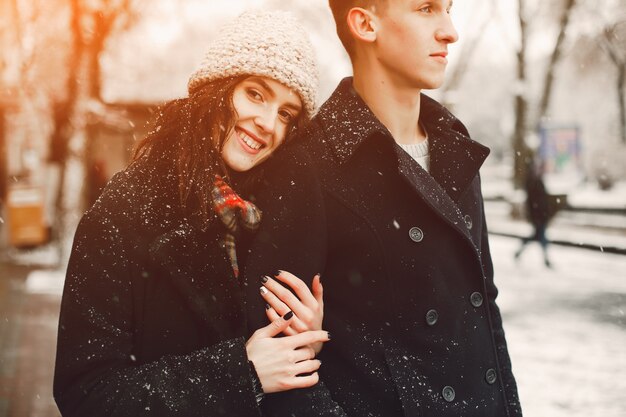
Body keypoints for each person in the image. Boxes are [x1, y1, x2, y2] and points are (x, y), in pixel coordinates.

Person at [242, 1, 523, 416]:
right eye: (426, 9)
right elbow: (284, 370)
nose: (450, 31)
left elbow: (484, 313)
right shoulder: (307, 166)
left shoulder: (455, 147)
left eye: (449, 10)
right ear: (364, 23)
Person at [53, 10, 329, 417]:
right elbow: (87, 393)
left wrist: (307, 342)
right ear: (217, 90)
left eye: (286, 113)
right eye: (255, 94)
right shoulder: (124, 212)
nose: (268, 123)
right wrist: (241, 374)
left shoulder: (281, 217)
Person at [515, 159, 552, 267]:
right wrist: (535, 216)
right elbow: (532, 202)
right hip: (538, 215)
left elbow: (543, 199)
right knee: (541, 238)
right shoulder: (531, 182)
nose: (538, 169)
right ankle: (546, 260)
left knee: (537, 237)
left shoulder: (538, 180)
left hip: (542, 215)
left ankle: (519, 251)